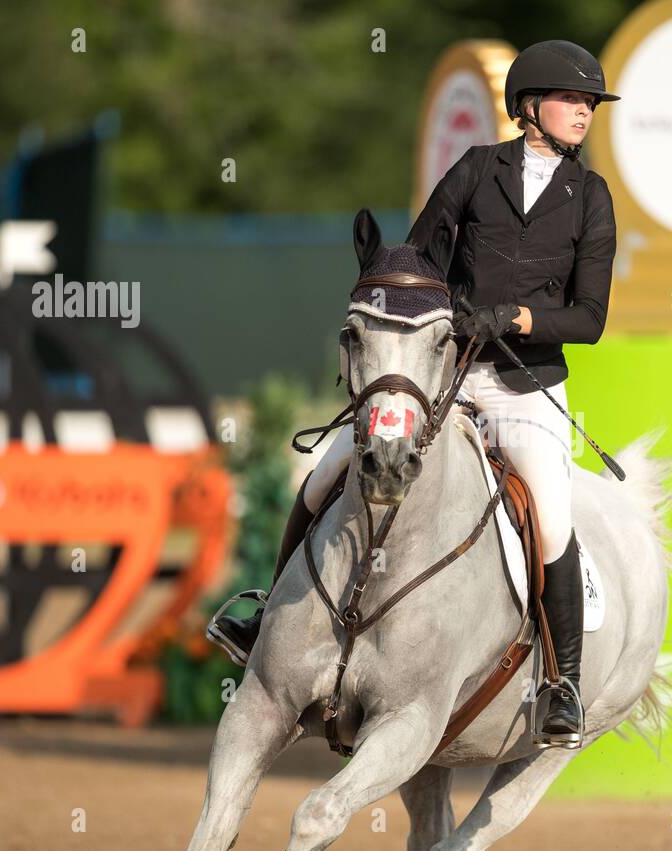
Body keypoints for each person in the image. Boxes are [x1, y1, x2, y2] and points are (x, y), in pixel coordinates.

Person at [209, 39, 619, 747]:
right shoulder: (476, 170)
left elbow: (590, 318)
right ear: (530, 107)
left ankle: (564, 685)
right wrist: (435, 313)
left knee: (550, 516)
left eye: (589, 103)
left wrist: (517, 318)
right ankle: (263, 624)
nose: (584, 111)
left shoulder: (592, 199)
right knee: (322, 476)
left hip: (525, 387)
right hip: (446, 377)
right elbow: (418, 258)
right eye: (571, 99)